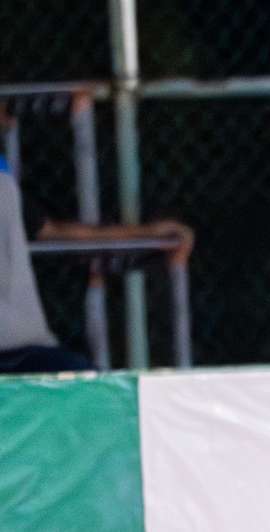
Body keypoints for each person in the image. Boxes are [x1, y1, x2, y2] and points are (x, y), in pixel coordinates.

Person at [0, 146, 191, 373]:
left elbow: (50, 230)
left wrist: (148, 232)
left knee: (98, 392)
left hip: (29, 350)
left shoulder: (3, 178)